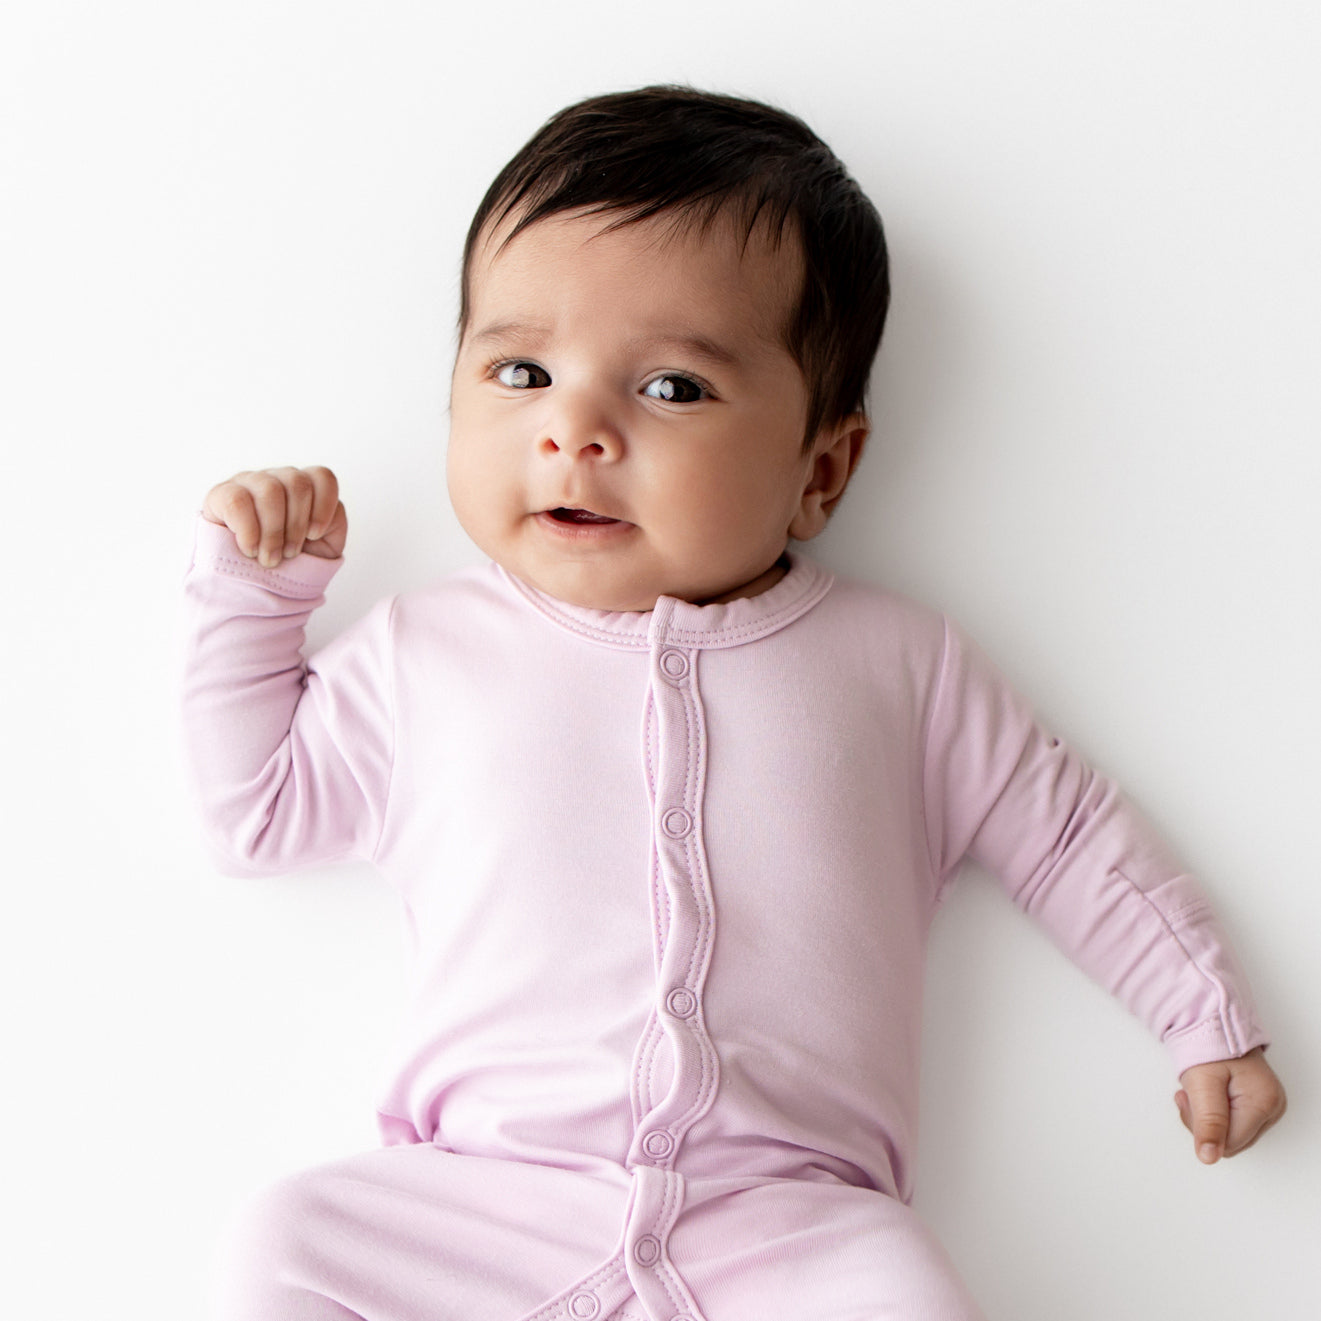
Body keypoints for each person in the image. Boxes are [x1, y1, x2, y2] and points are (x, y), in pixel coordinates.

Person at [183, 86, 1286, 1321]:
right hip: (486, 1197)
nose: (575, 430)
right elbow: (254, 811)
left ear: (820, 469)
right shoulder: (424, 653)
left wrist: (1202, 1013)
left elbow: (1073, 838)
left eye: (671, 390)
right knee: (285, 1244)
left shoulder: (898, 666)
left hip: (795, 1223)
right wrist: (256, 601)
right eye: (521, 369)